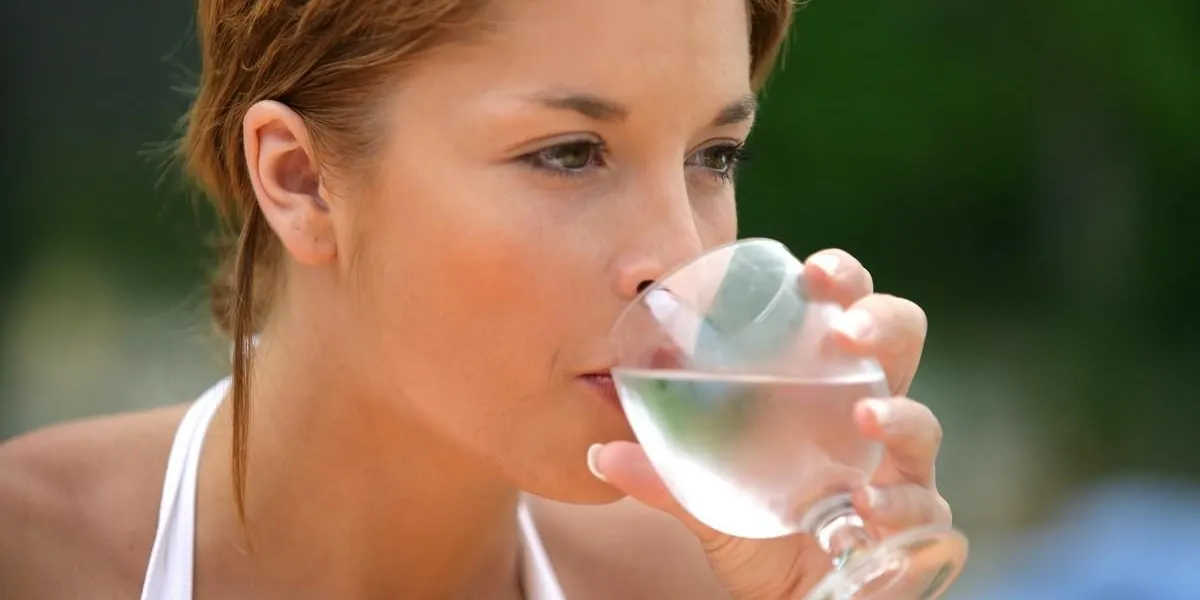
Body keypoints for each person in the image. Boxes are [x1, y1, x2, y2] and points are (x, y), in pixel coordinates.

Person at [0, 0, 955, 597]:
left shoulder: (702, 582)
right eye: (569, 154)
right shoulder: (30, 558)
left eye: (713, 156)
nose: (680, 255)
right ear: (299, 180)